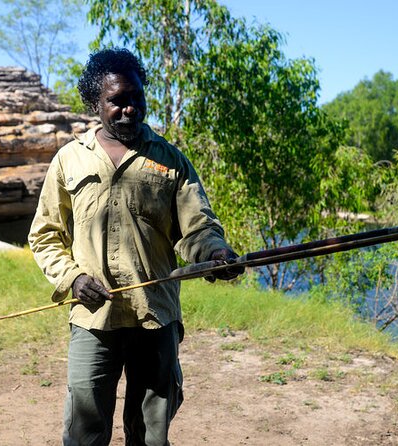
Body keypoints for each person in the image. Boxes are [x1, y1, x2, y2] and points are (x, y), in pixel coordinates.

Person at [28, 48, 242, 446]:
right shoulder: (68, 160)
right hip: (94, 319)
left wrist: (215, 255)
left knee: (149, 434)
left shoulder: (170, 160)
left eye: (136, 98)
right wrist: (73, 278)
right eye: (117, 100)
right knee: (84, 432)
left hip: (155, 316)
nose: (129, 108)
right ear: (96, 103)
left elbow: (197, 227)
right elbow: (45, 235)